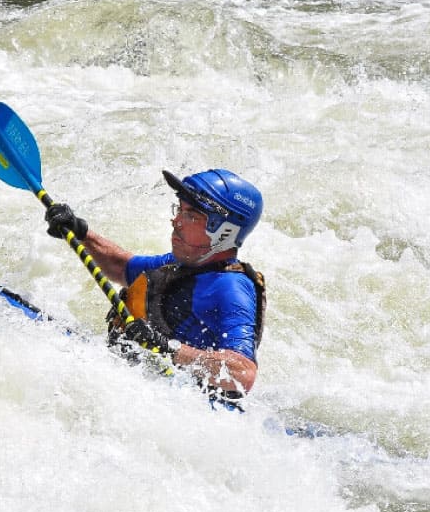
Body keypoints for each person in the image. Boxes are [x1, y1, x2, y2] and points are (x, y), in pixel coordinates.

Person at [45, 168, 265, 402]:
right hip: (148, 385)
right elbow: (121, 267)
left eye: (191, 215)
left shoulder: (232, 288)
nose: (176, 221)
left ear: (224, 232)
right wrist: (80, 232)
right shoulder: (181, 264)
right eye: (179, 209)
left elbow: (243, 373)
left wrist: (169, 348)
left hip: (190, 408)